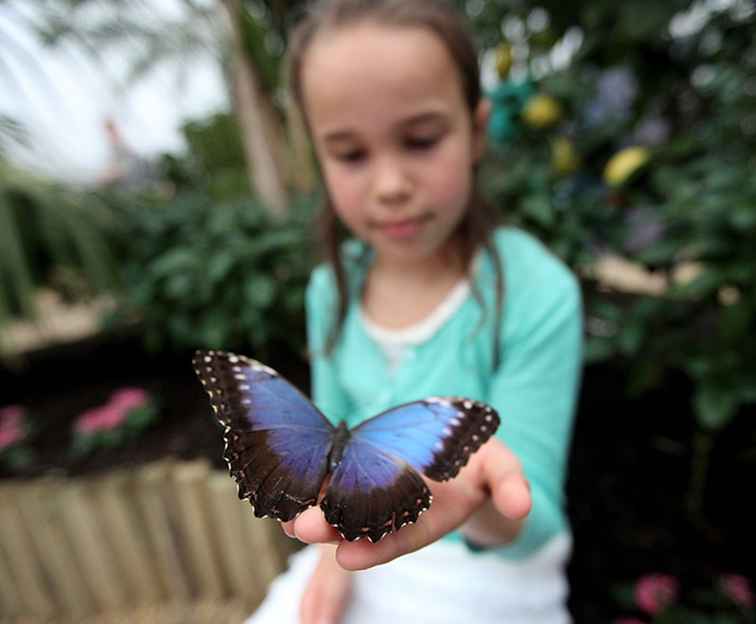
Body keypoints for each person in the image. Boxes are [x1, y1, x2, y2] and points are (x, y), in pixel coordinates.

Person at [246, 1, 583, 622]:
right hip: (356, 547)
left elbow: (532, 519)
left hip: (494, 571)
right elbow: (326, 452)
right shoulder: (331, 288)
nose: (391, 184)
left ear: (477, 130)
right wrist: (327, 557)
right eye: (350, 154)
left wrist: (480, 495)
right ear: (317, 158)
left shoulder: (539, 292)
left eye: (421, 140)